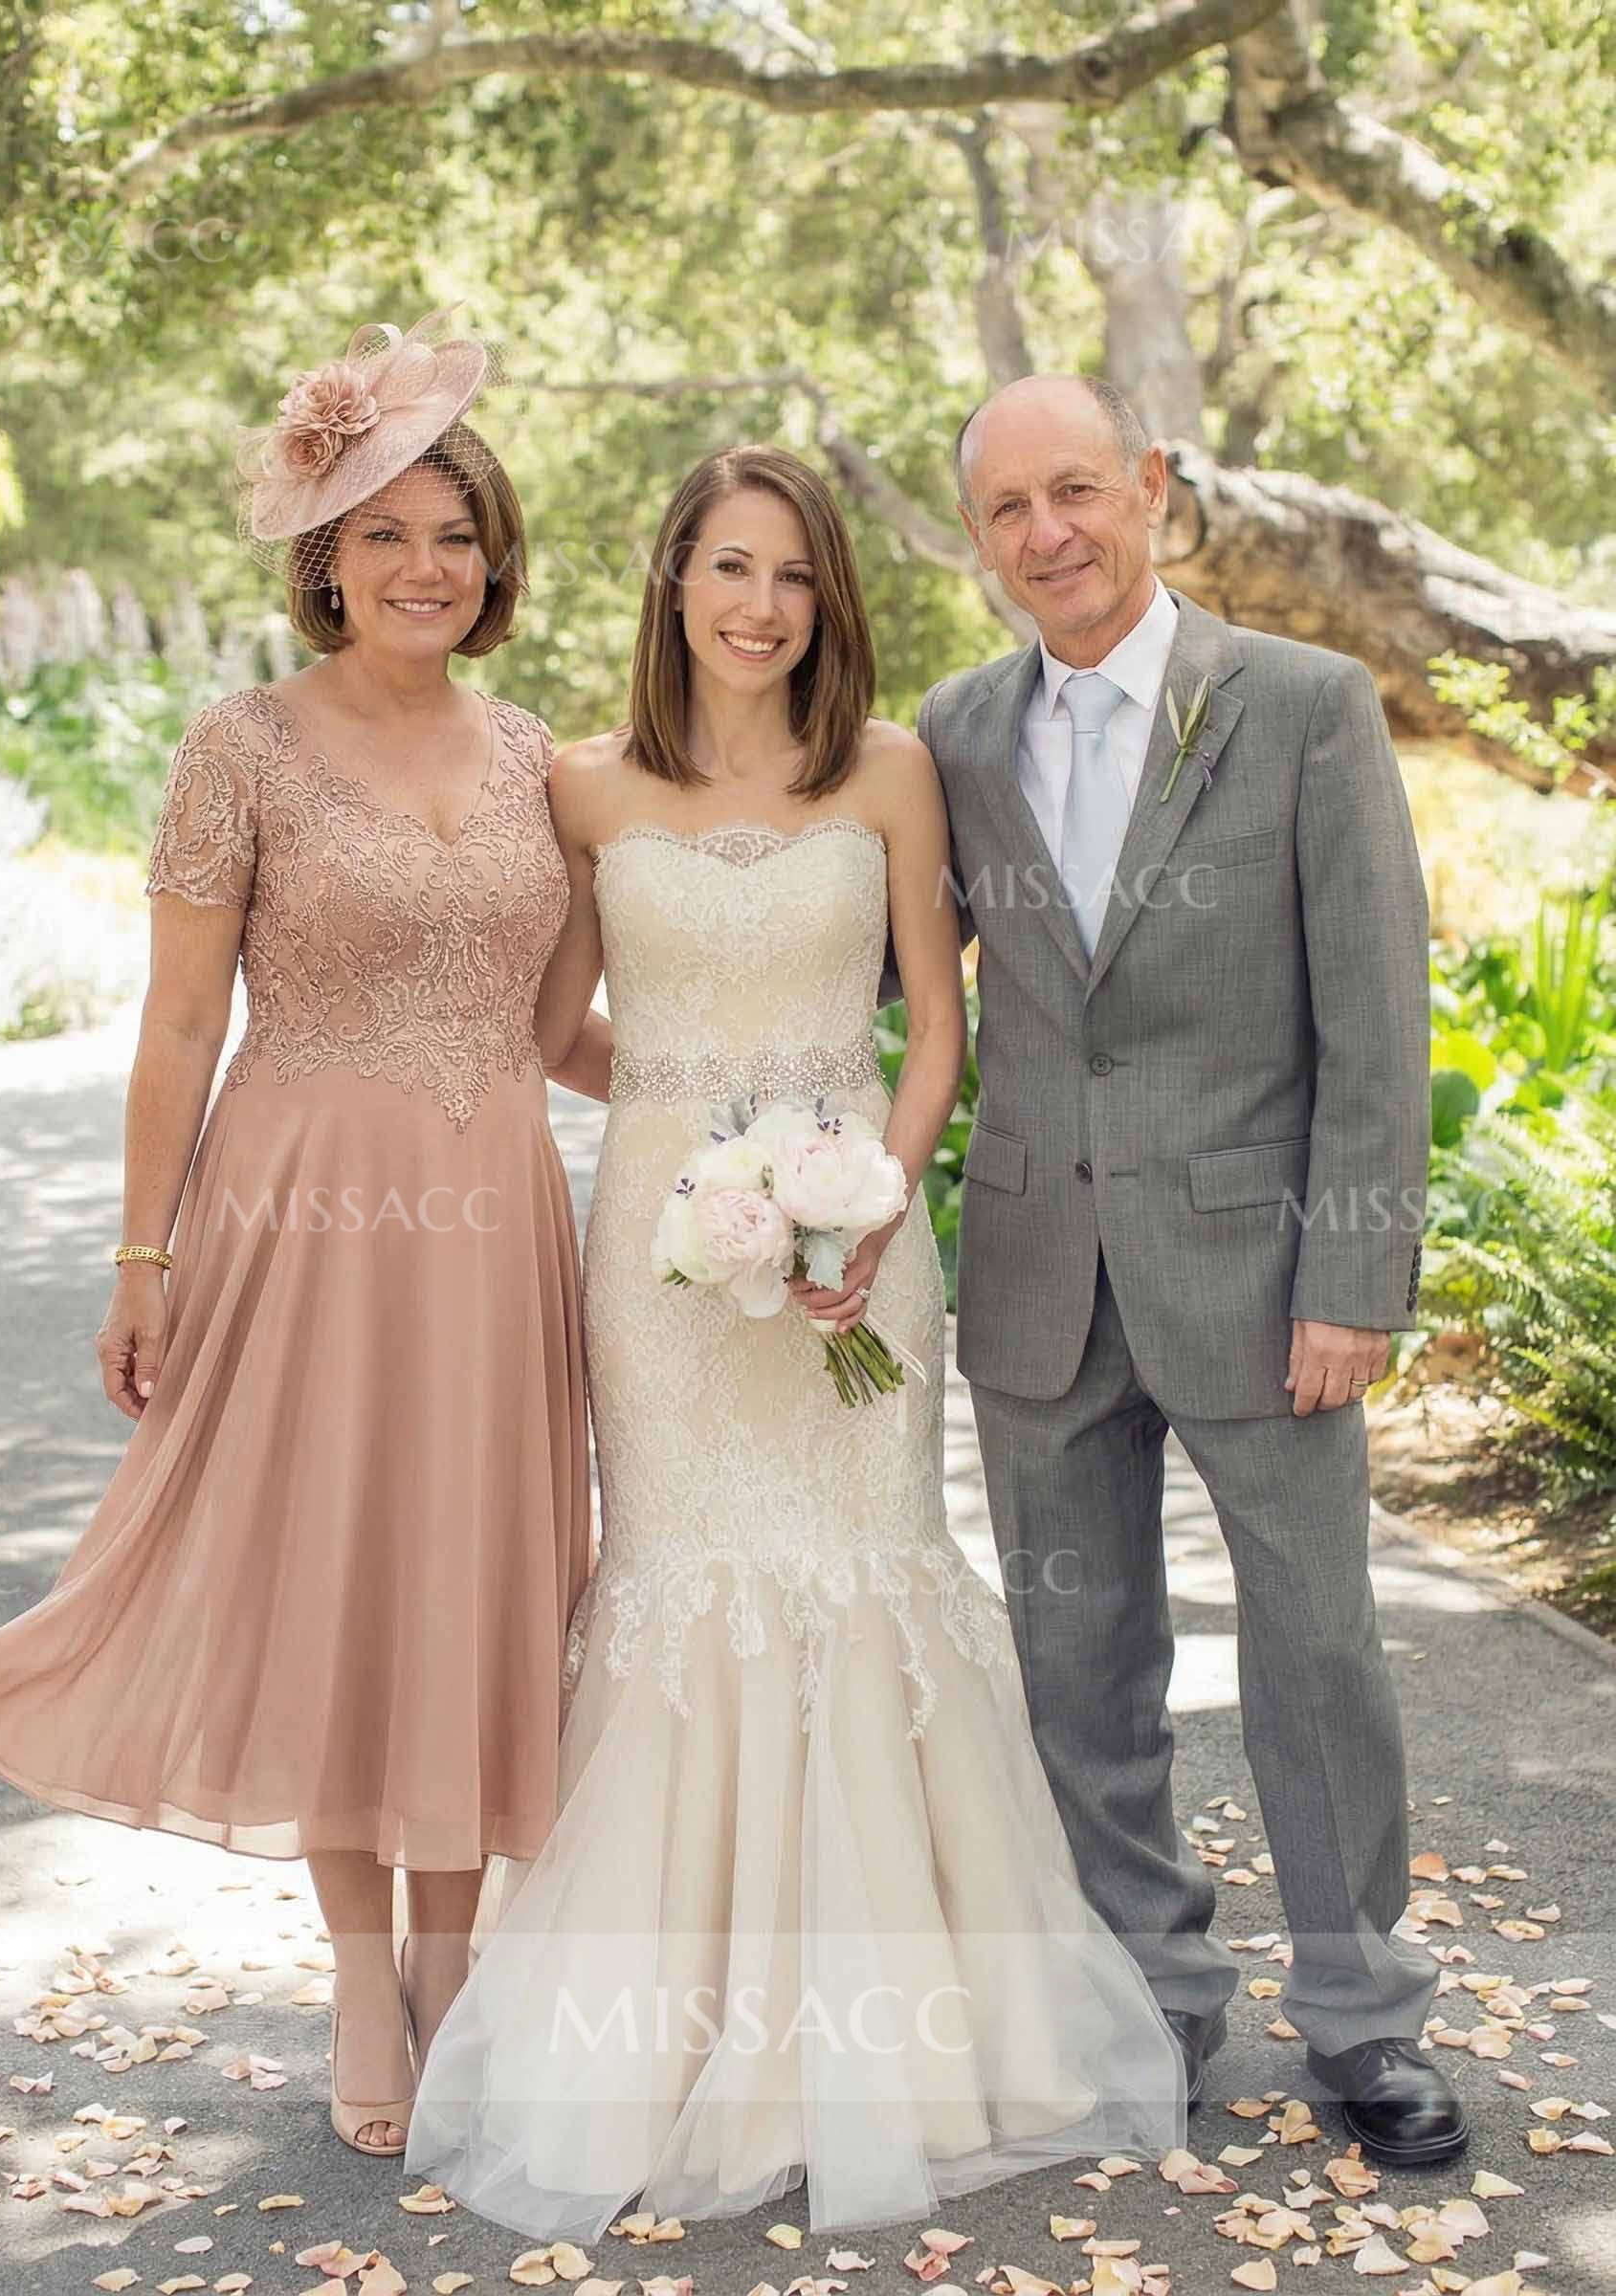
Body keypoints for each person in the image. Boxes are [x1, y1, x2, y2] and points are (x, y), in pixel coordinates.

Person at [403, 443, 1186, 2241]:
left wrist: (863, 1196)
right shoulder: (584, 785)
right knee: (685, 1583)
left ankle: (910, 2047)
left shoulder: (892, 772)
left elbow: (936, 1034)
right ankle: (663, 2052)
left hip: (862, 1238)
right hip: (661, 1264)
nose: (761, 607)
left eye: (795, 575)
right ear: (673, 580)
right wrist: (707, 1130)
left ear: (828, 598)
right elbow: (553, 1031)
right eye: (730, 568)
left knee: (863, 1572)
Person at [0, 308, 603, 2160]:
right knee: (339, 1584)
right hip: (302, 1219)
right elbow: (174, 1030)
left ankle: (454, 1965)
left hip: (494, 1223)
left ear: (496, 563)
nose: (424, 566)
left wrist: (755, 1100)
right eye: (385, 533)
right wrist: (142, 1258)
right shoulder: (241, 745)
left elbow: (561, 1029)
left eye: (455, 535)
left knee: (471, 1576)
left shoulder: (539, 756)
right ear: (324, 557)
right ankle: (364, 1977)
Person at [907, 370, 1465, 2166]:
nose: (1047, 533)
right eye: (1009, 508)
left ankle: (1364, 2021)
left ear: (1149, 485)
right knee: (1079, 1664)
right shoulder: (953, 733)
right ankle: (1147, 2002)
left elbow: (1376, 1013)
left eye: (1076, 489)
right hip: (1039, 1277)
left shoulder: (1302, 705)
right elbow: (897, 978)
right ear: (978, 535)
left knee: (1318, 1654)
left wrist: (1355, 1277)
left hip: (1264, 1281)